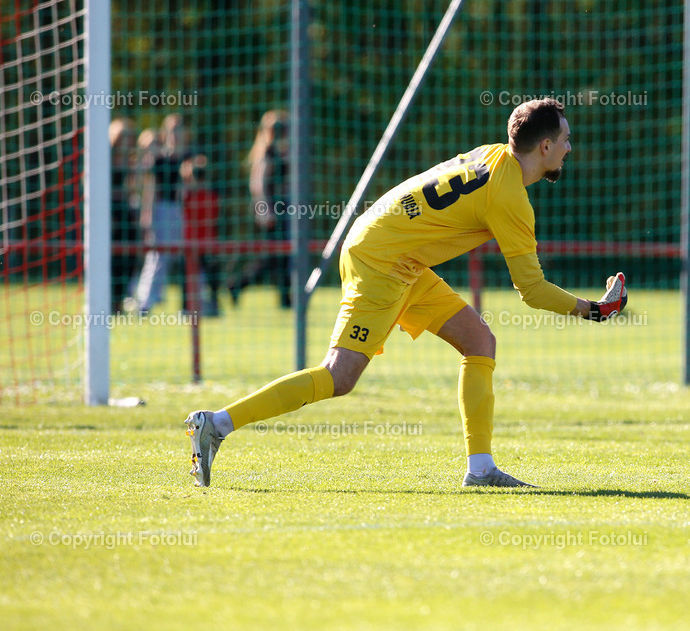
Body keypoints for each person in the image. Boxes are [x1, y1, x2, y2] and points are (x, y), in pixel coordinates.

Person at [185, 99, 627, 488]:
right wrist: (595, 310)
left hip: (395, 252)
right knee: (339, 377)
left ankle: (481, 467)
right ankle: (217, 424)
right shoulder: (510, 195)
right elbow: (530, 290)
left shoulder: (492, 157)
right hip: (383, 260)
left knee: (479, 342)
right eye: (566, 139)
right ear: (544, 147)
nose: (570, 147)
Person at [227, 110, 291, 308]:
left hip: (283, 208)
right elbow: (257, 185)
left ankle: (285, 299)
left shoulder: (281, 151)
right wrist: (266, 211)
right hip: (270, 209)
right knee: (271, 257)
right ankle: (237, 284)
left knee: (282, 256)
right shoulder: (265, 153)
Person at [132, 114, 194, 314]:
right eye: (172, 130)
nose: (176, 134)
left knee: (179, 256)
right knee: (157, 255)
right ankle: (144, 300)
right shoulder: (159, 158)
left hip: (180, 211)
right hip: (161, 210)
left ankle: (181, 301)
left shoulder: (187, 157)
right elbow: (148, 188)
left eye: (179, 130)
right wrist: (147, 216)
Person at [179, 155, 222, 316]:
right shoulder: (210, 195)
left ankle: (188, 308)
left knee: (193, 277)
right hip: (202, 242)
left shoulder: (190, 194)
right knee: (204, 277)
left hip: (196, 242)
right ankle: (211, 305)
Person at [109, 118, 140, 313]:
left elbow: (134, 188)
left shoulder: (131, 161)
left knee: (131, 256)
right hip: (110, 213)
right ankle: (110, 301)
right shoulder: (104, 159)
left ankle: (121, 300)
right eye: (124, 137)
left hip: (126, 212)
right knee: (113, 258)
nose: (127, 142)